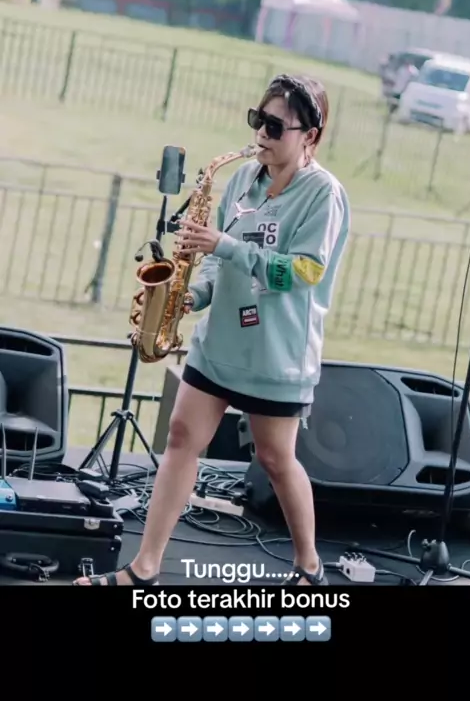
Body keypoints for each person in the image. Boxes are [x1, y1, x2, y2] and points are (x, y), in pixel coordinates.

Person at [74, 73, 350, 587]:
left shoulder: (323, 195)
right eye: (258, 120)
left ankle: (309, 565)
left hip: (275, 356)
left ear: (309, 135)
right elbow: (217, 264)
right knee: (181, 438)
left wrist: (226, 246)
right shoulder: (242, 179)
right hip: (218, 345)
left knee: (275, 458)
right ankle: (145, 567)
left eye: (275, 126)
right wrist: (190, 296)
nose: (261, 133)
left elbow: (303, 273)